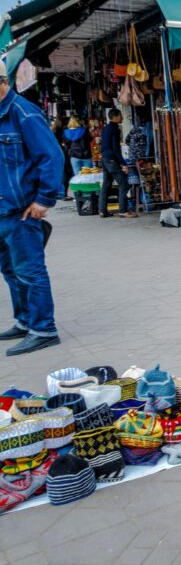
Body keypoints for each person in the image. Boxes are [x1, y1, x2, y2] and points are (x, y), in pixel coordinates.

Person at [0, 60, 64, 356]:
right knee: (12, 272)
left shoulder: (23, 113)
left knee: (30, 271)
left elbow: (52, 157)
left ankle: (43, 328)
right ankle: (25, 321)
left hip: (22, 211)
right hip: (4, 212)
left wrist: (43, 200)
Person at [99, 109, 134, 218]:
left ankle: (102, 210)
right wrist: (123, 163)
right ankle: (123, 210)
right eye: (120, 116)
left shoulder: (105, 129)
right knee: (124, 184)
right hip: (111, 159)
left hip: (104, 158)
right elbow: (116, 148)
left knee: (106, 185)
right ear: (115, 117)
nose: (122, 118)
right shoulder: (114, 129)